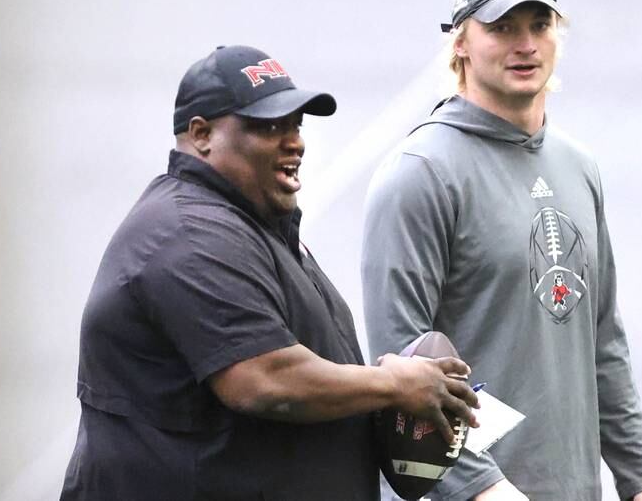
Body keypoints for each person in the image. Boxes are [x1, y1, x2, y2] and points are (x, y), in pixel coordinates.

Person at [60, 44, 480, 501]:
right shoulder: (189, 233)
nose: (295, 141)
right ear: (201, 135)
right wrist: (394, 385)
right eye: (268, 126)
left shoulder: (253, 227)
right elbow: (265, 380)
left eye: (296, 125)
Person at [361, 0, 642, 501]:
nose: (525, 44)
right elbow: (398, 375)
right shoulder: (420, 173)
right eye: (502, 27)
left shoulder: (579, 167)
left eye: (539, 25)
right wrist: (486, 489)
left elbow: (604, 344)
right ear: (461, 42)